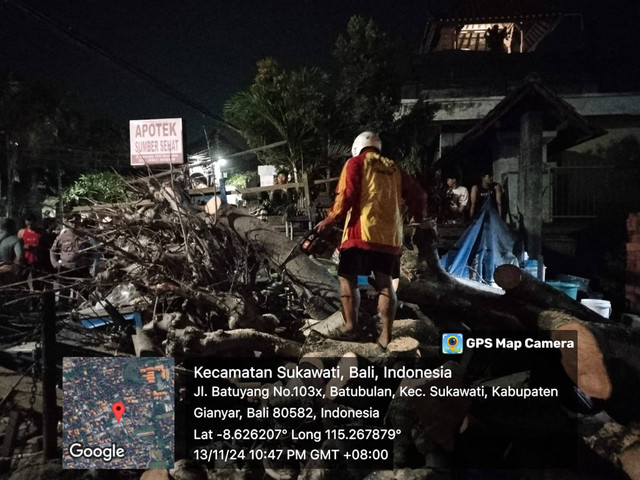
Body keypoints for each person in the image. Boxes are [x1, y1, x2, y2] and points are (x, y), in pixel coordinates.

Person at [315, 131, 427, 350]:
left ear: (358, 147)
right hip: (390, 238)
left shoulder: (355, 163)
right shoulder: (394, 168)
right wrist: (418, 219)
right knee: (386, 285)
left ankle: (350, 326)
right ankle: (386, 336)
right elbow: (419, 195)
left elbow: (346, 194)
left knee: (347, 279)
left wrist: (330, 219)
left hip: (361, 235)